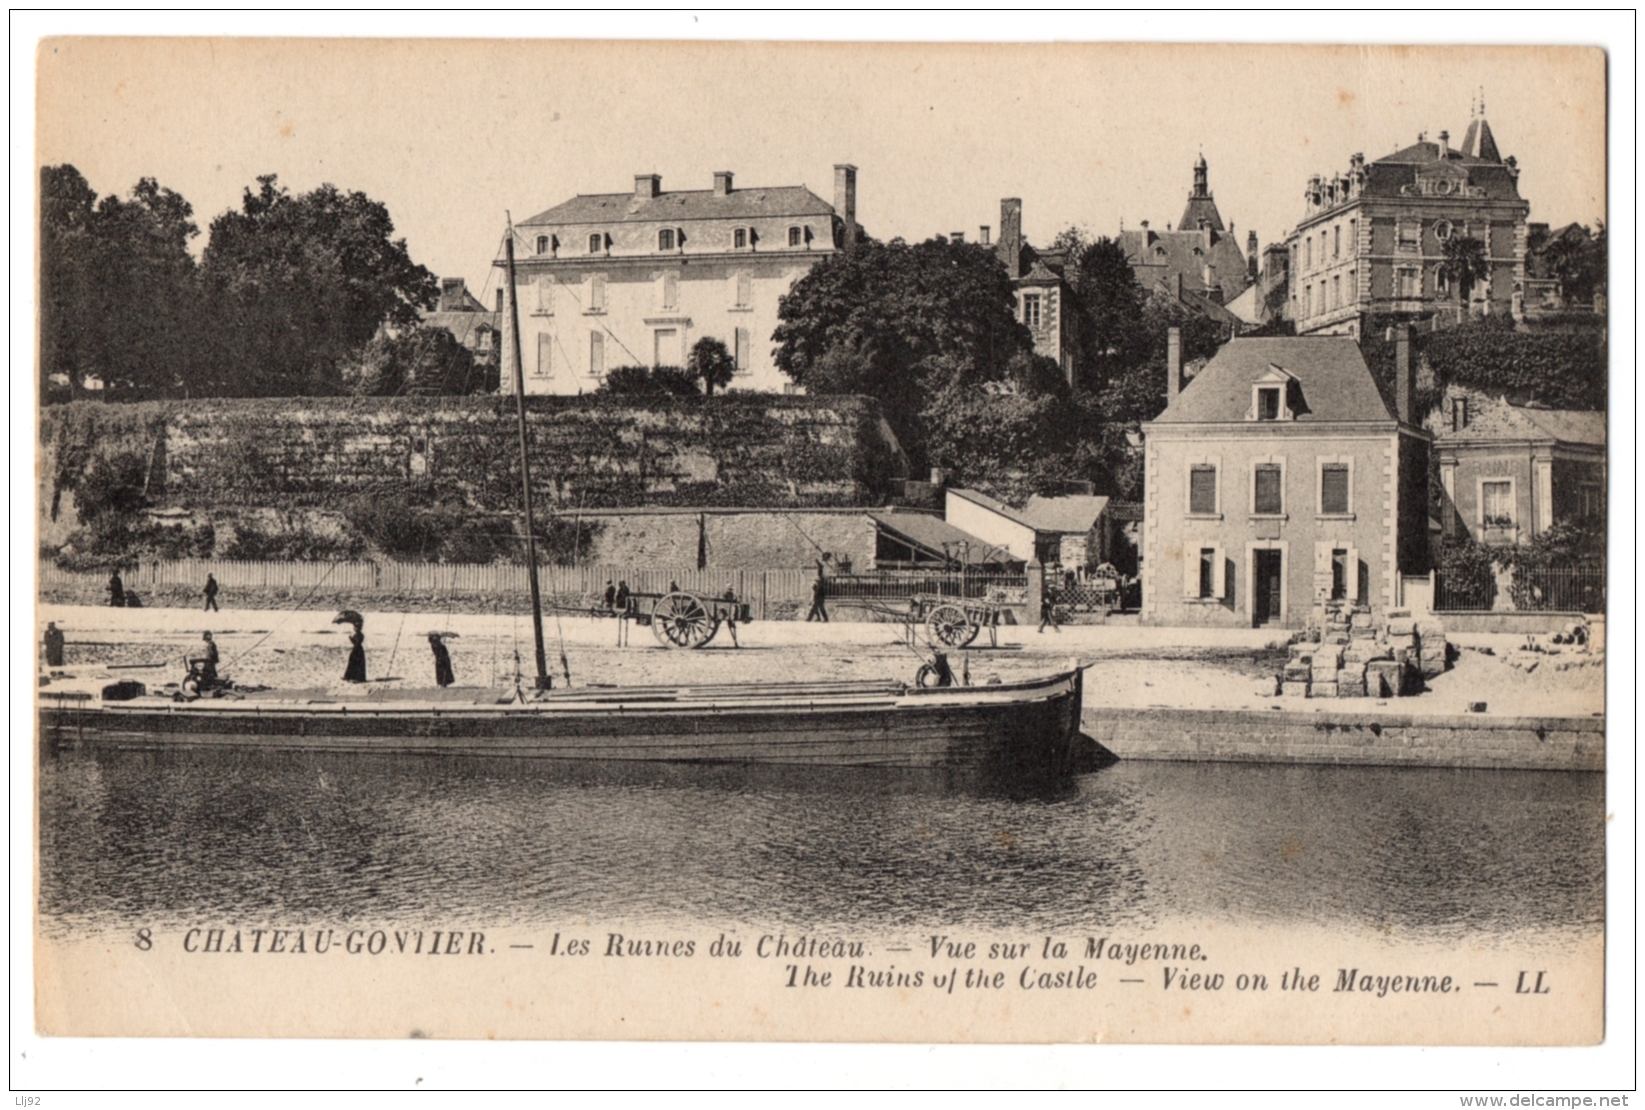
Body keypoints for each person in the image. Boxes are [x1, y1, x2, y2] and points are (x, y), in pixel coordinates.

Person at [722, 583, 741, 648]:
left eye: (730, 589)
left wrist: (736, 598)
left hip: (730, 611)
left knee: (732, 627)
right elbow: (725, 602)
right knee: (732, 627)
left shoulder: (730, 594)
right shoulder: (726, 594)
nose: (730, 590)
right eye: (730, 588)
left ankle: (735, 641)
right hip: (729, 612)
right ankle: (735, 642)